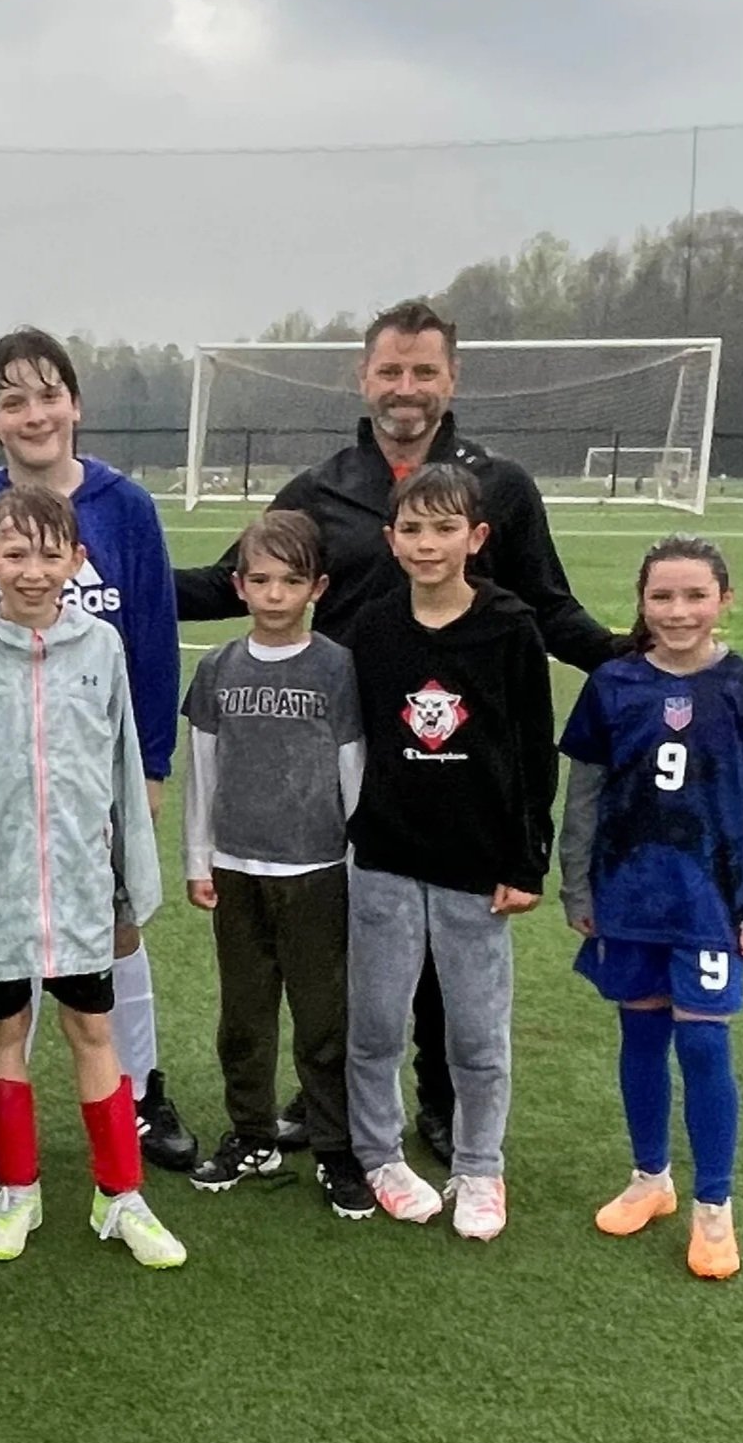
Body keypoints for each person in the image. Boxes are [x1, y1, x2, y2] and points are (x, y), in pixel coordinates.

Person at [173, 300, 616, 1164]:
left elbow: (548, 605)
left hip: (451, 755)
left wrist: (628, 657)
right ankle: (328, 1091)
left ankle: (444, 1102)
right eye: (390, 370)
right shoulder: (320, 488)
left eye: (423, 371)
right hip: (337, 752)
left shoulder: (502, 487)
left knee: (446, 948)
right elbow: (239, 579)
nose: (405, 388)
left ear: (451, 380)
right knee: (351, 938)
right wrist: (112, 579)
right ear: (362, 378)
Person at [0, 484, 184, 1270]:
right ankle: (17, 1189)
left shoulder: (100, 647)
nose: (33, 570)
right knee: (5, 1032)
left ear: (78, 559)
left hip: (81, 887)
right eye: (16, 553)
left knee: (93, 1030)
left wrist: (134, 868)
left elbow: (125, 762)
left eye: (49, 553)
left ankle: (120, 1194)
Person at [0, 329, 194, 1183]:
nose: (34, 412)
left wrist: (150, 766)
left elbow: (155, 643)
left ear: (75, 404)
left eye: (48, 393)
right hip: (11, 783)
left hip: (101, 774)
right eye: (13, 399)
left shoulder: (128, 510)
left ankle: (143, 1089)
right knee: (11, 934)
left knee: (114, 932)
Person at [559, 537, 743, 1280]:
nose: (678, 610)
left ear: (725, 599)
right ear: (641, 603)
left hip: (710, 903)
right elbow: (585, 797)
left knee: (702, 1046)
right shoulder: (612, 685)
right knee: (639, 1035)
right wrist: (578, 886)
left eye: (695, 595)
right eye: (662, 596)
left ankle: (714, 1207)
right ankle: (651, 1178)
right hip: (629, 895)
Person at [340, 462, 556, 1242]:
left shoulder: (509, 627)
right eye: (412, 528)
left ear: (477, 536)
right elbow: (351, 738)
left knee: (475, 1031)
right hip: (386, 859)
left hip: (476, 868)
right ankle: (380, 1154)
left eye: (443, 527)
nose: (427, 543)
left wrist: (527, 857)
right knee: (375, 1024)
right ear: (390, 537)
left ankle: (480, 1164)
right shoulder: (372, 628)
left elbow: (535, 748)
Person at [178, 509, 376, 1220]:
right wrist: (198, 858)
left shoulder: (336, 666)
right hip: (236, 868)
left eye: (291, 580)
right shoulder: (217, 667)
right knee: (245, 1014)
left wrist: (358, 860)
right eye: (259, 579)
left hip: (318, 869)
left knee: (324, 1018)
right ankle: (252, 1132)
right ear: (238, 584)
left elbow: (354, 763)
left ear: (317, 586)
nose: (273, 594)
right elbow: (202, 768)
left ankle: (333, 1144)